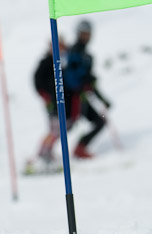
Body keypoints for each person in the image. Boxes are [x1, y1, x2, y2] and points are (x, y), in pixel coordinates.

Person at [63, 20, 111, 158]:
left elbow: (90, 83)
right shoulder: (72, 53)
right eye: (83, 33)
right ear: (78, 33)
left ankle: (80, 148)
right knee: (65, 126)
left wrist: (103, 100)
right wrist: (83, 80)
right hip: (71, 98)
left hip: (82, 97)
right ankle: (44, 153)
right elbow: (69, 77)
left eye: (88, 34)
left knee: (100, 121)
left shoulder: (88, 56)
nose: (86, 36)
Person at [25, 36, 71, 173]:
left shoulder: (61, 62)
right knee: (55, 129)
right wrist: (45, 96)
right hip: (50, 101)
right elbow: (37, 80)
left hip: (58, 101)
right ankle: (41, 155)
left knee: (58, 129)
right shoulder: (46, 62)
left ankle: (46, 153)